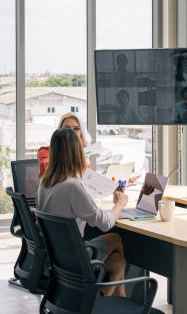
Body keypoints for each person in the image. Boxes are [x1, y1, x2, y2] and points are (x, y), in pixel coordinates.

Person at [37, 128, 128, 297]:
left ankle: (112, 299)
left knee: (118, 261)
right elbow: (106, 223)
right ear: (76, 153)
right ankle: (101, 302)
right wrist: (120, 204)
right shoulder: (72, 186)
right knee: (115, 239)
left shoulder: (44, 182)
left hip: (57, 258)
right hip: (75, 259)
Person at [38, 113, 91, 178]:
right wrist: (79, 159)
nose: (71, 132)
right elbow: (52, 170)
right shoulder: (45, 151)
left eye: (76, 129)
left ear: (81, 134)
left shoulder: (83, 153)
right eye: (66, 128)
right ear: (59, 131)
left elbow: (87, 178)